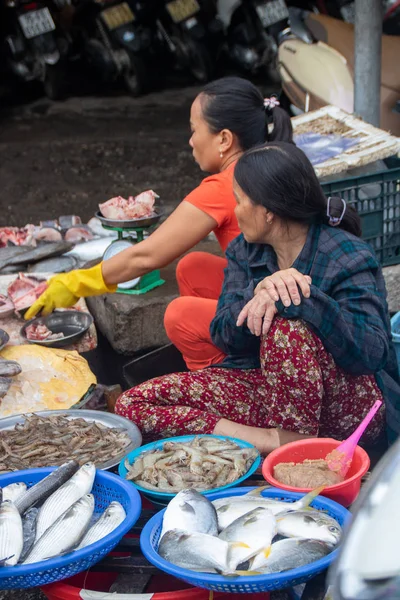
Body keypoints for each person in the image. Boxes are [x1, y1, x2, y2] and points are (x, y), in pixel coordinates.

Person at [115, 142, 400, 452]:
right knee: (133, 404)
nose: (235, 212)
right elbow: (224, 336)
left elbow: (374, 355)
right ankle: (270, 442)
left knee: (287, 325)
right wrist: (257, 294)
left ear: (267, 211)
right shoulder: (245, 251)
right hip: (269, 390)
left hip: (347, 406)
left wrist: (304, 298)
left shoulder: (348, 256)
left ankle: (297, 443)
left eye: (239, 201)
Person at [24, 77, 293, 347]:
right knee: (192, 267)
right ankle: (224, 353)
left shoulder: (229, 186)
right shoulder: (275, 161)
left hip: (278, 314)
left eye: (194, 130)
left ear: (224, 139)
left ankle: (223, 378)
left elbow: (146, 256)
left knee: (179, 315)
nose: (190, 141)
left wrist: (75, 283)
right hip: (282, 293)